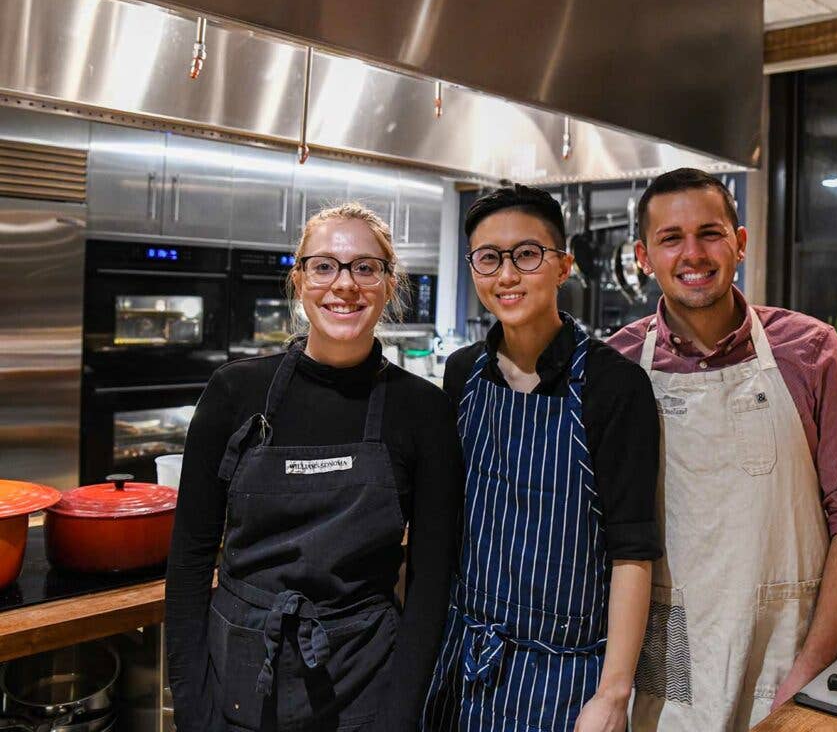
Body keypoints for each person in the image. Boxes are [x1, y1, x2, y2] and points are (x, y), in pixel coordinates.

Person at [608, 168, 837, 732]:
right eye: (671, 238)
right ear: (644, 256)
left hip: (787, 648)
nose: (693, 253)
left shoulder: (811, 353)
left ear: (739, 243)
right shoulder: (615, 367)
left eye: (710, 233)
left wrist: (814, 659)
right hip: (666, 655)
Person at [165, 203, 462, 732]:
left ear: (388, 284)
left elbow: (432, 580)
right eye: (324, 265)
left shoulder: (422, 410)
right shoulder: (234, 392)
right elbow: (188, 562)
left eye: (364, 267)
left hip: (364, 686)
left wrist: (400, 715)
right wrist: (192, 708)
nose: (343, 285)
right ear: (299, 279)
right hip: (238, 686)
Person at [421, 185, 662, 732]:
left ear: (563, 266)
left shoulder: (613, 385)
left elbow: (632, 551)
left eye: (527, 254)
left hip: (564, 678)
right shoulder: (463, 374)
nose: (507, 274)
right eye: (489, 258)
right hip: (465, 660)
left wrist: (613, 695)